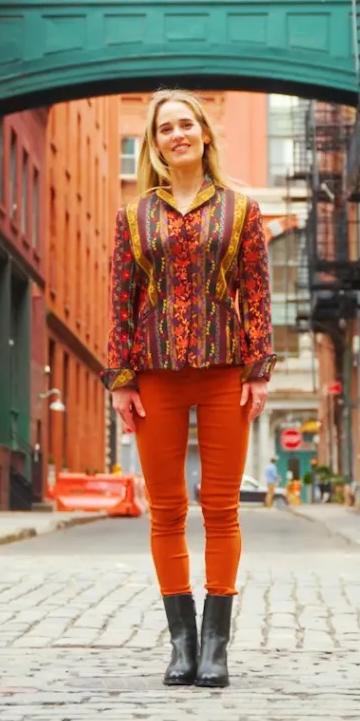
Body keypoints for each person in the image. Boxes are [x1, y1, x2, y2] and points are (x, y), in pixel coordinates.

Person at [101, 88, 276, 689]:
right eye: (165, 128)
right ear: (154, 144)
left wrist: (259, 368)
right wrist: (120, 380)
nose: (177, 134)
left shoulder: (241, 211)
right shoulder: (132, 217)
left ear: (204, 133)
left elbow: (257, 291)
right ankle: (182, 643)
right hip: (154, 373)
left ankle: (216, 646)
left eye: (185, 124)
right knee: (167, 509)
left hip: (225, 370)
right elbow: (122, 301)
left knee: (221, 508)